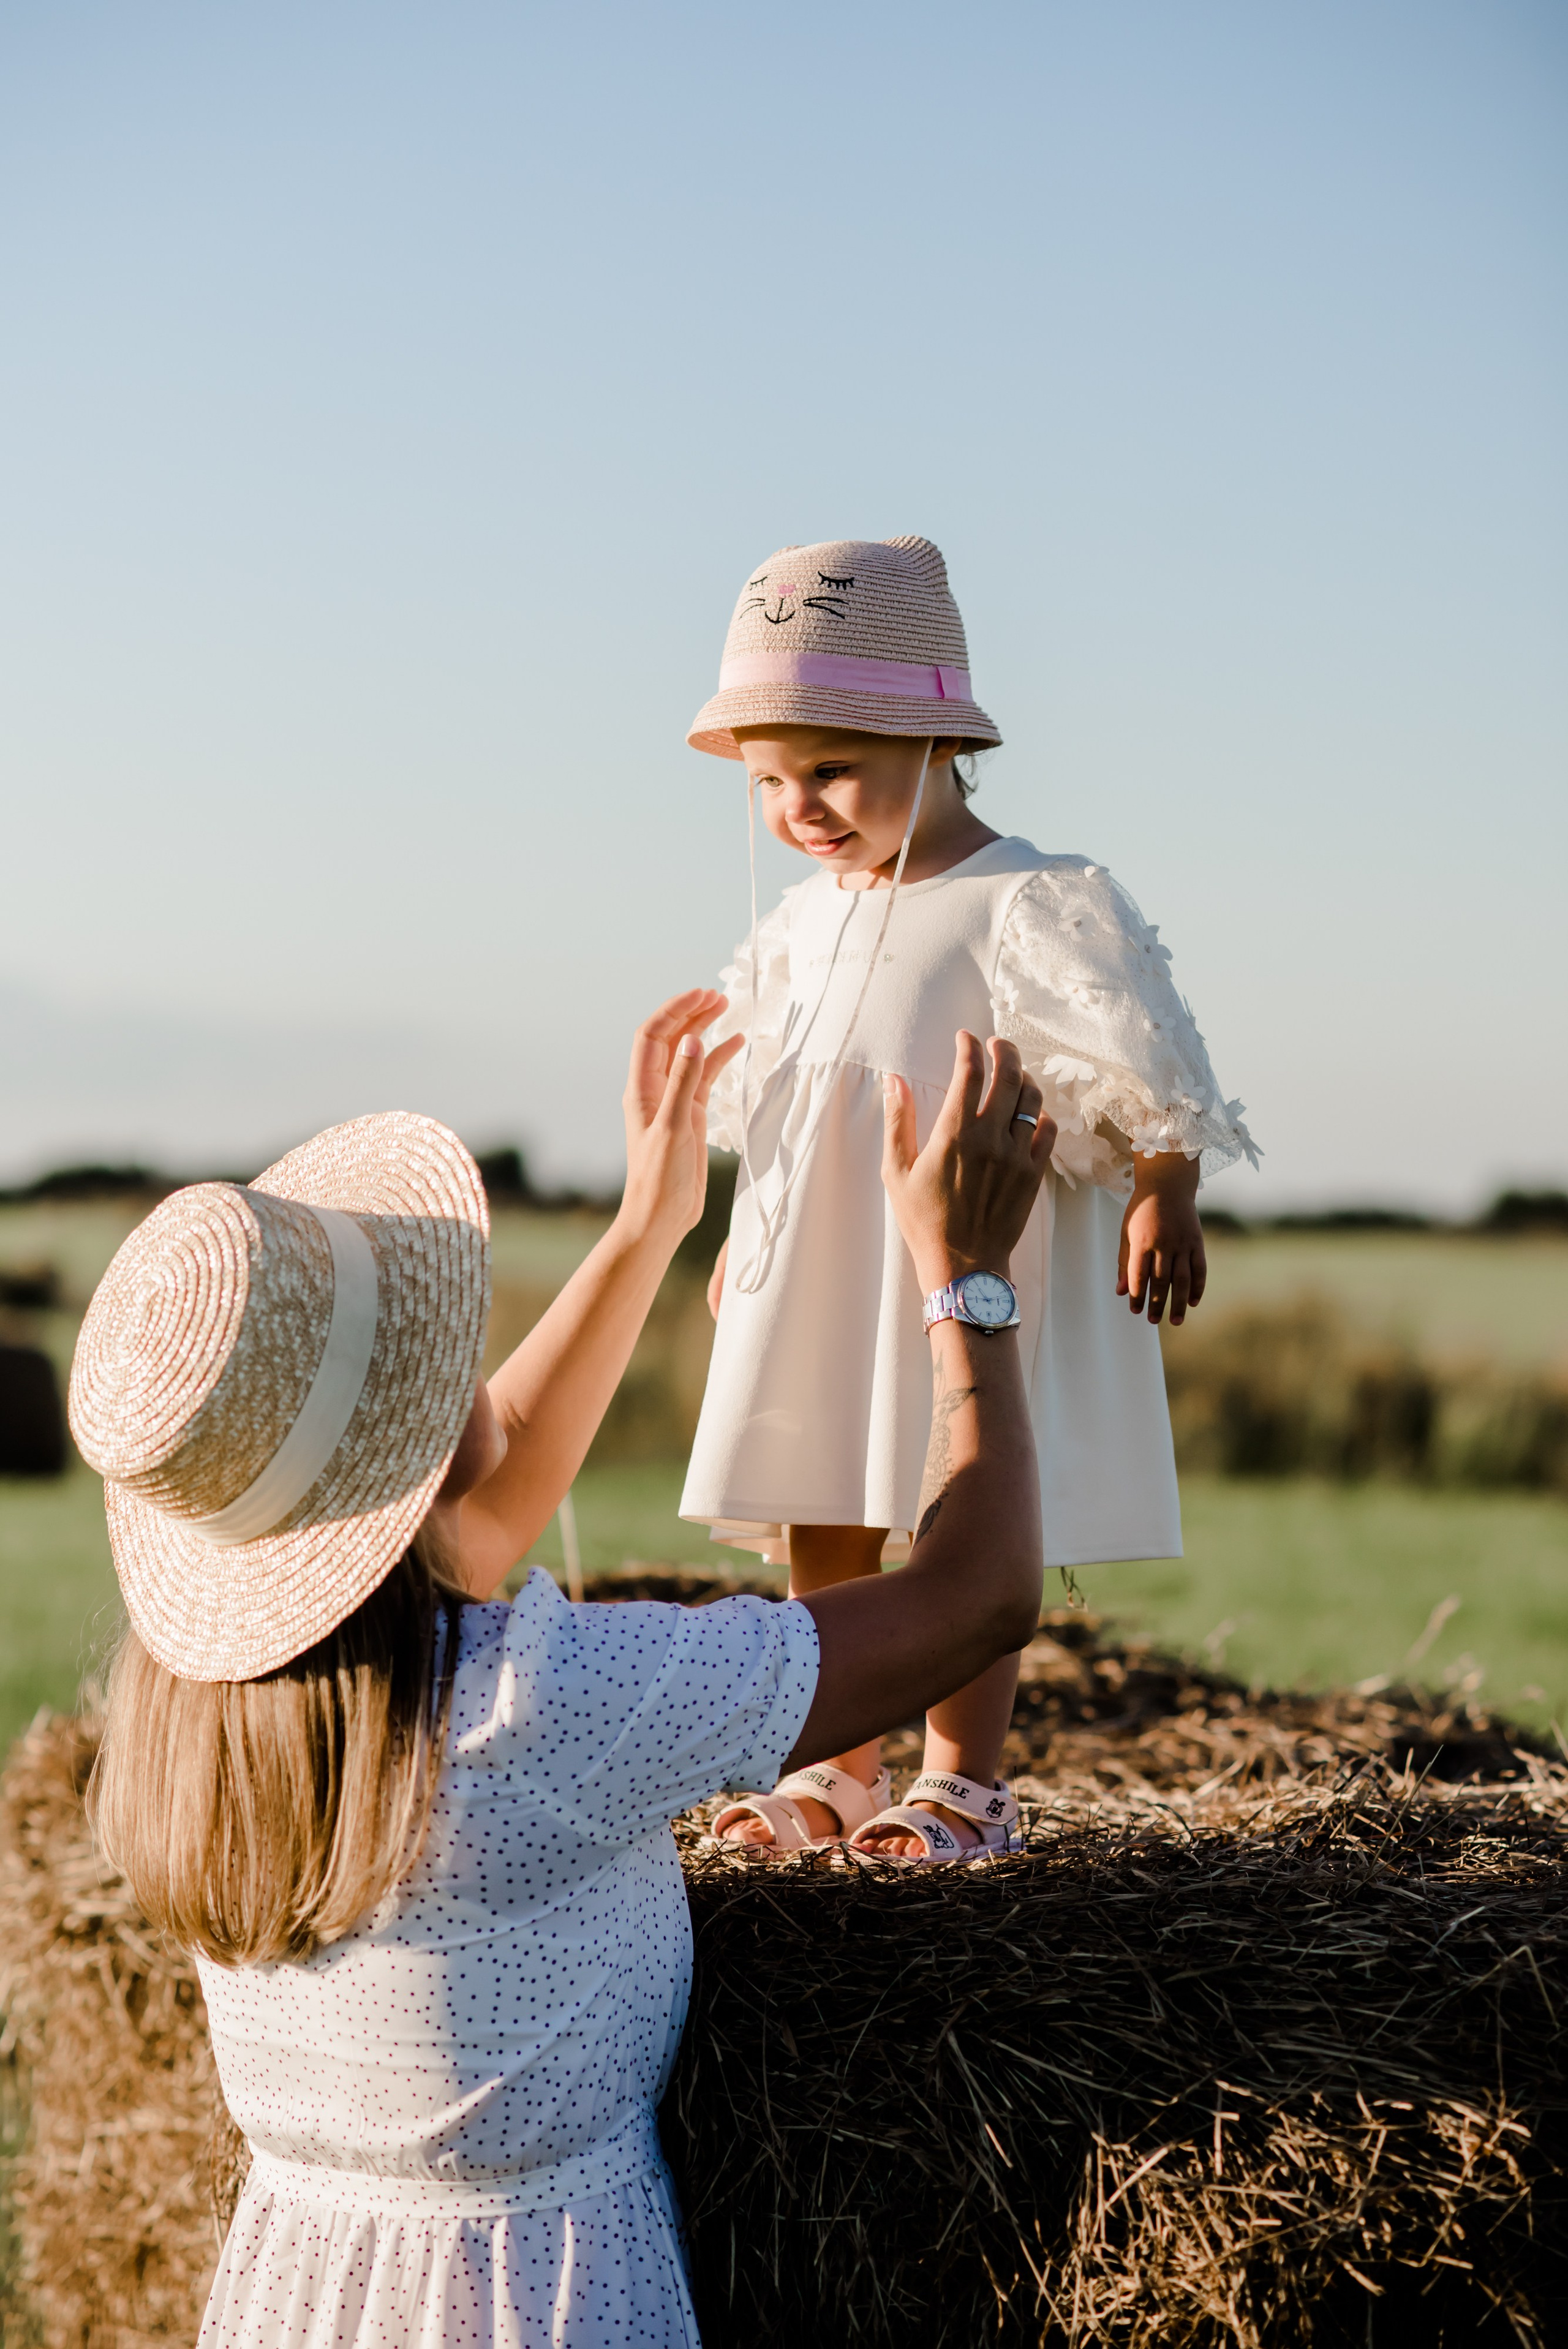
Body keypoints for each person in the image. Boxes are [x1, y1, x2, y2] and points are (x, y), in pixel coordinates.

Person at [74, 987, 1053, 2349]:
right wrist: (967, 1275)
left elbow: (479, 1491)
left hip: (292, 2295)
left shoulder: (204, 1710)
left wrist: (650, 1224)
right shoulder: (542, 1702)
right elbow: (978, 1597)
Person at [679, 534, 1259, 1860]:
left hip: (958, 1252)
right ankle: (835, 1765)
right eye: (770, 780)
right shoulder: (798, 925)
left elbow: (1137, 1061)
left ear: (937, 745)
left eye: (831, 769)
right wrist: (741, 1241)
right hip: (822, 1260)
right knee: (815, 1491)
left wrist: (1161, 1183)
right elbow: (775, 1103)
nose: (799, 807)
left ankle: (964, 1777)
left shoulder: (1025, 900)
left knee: (957, 1501)